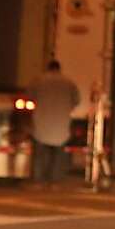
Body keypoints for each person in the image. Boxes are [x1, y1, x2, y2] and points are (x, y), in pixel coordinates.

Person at [29, 59, 78, 187]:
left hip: (41, 122)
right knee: (58, 156)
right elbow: (76, 101)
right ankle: (55, 181)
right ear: (59, 69)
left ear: (48, 68)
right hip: (61, 124)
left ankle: (38, 180)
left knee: (39, 155)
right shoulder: (69, 83)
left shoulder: (39, 81)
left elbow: (30, 96)